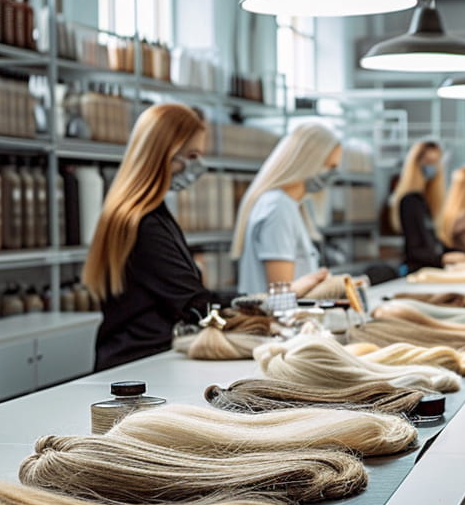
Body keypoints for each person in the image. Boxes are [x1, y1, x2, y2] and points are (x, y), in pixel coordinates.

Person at [83, 104, 238, 372]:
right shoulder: (143, 224)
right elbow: (194, 303)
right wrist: (265, 303)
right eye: (190, 156)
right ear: (162, 154)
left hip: (145, 361)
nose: (198, 167)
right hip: (138, 365)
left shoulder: (153, 215)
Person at [231, 122, 341, 295]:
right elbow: (280, 294)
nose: (333, 175)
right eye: (331, 166)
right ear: (310, 162)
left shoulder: (290, 205)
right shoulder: (278, 208)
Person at [389, 139, 464, 272]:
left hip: (430, 269)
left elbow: (433, 243)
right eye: (429, 162)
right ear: (416, 164)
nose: (432, 167)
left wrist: (460, 253)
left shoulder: (424, 202)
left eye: (435, 162)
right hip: (418, 271)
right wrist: (442, 259)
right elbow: (414, 250)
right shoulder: (410, 201)